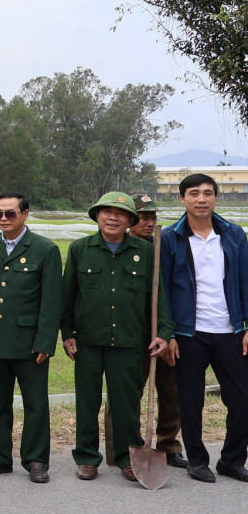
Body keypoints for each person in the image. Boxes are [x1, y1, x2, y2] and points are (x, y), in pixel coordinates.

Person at [61, 192, 173, 482]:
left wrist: (162, 332)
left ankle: (127, 457)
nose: (113, 218)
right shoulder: (79, 249)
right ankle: (87, 458)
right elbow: (68, 295)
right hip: (88, 340)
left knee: (126, 403)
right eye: (106, 212)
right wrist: (67, 334)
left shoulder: (145, 252)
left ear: (129, 221)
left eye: (120, 214)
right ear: (97, 216)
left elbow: (157, 296)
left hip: (129, 340)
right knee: (87, 401)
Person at [159, 173, 248, 483]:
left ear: (215, 198)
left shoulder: (235, 235)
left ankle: (232, 460)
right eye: (194, 193)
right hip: (189, 334)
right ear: (182, 198)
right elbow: (164, 291)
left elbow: (246, 282)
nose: (201, 199)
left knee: (241, 399)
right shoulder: (170, 237)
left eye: (208, 193)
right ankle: (198, 461)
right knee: (191, 400)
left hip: (231, 331)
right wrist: (168, 333)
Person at [0, 192, 62, 484]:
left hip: (29, 342)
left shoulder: (45, 250)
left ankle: (36, 460)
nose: (4, 219)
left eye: (10, 213)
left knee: (35, 403)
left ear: (25, 214)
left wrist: (46, 341)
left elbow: (51, 301)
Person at [103, 193, 185, 468]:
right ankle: (120, 448)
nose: (149, 222)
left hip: (165, 331)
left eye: (153, 217)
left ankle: (168, 444)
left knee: (170, 390)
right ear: (130, 219)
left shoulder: (165, 245)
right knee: (124, 392)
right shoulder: (118, 247)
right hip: (131, 334)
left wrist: (168, 330)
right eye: (143, 217)